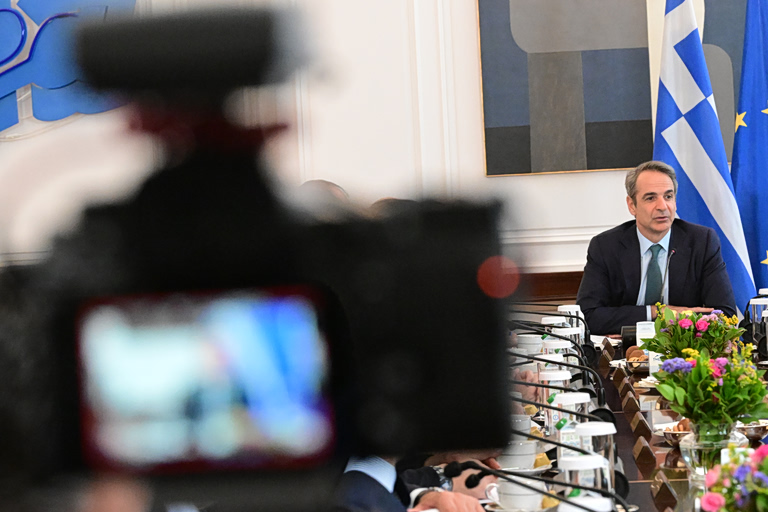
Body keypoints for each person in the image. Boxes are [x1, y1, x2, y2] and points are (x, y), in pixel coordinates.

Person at [576, 161, 737, 335]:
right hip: (624, 347)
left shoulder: (702, 242)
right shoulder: (606, 246)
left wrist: (671, 322)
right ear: (632, 205)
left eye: (668, 196)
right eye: (650, 198)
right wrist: (658, 312)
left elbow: (724, 315)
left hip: (683, 347)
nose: (662, 206)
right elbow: (587, 316)